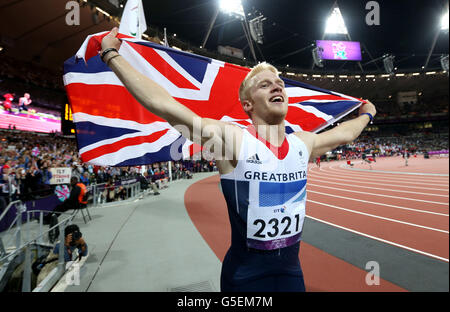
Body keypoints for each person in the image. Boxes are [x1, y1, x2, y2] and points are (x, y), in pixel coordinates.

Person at [100, 28, 376, 292]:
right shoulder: (232, 141)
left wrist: (367, 113)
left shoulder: (303, 143)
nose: (276, 87)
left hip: (291, 274)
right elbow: (166, 106)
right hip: (245, 278)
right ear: (248, 105)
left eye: (279, 83)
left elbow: (344, 134)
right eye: (265, 85)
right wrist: (112, 55)